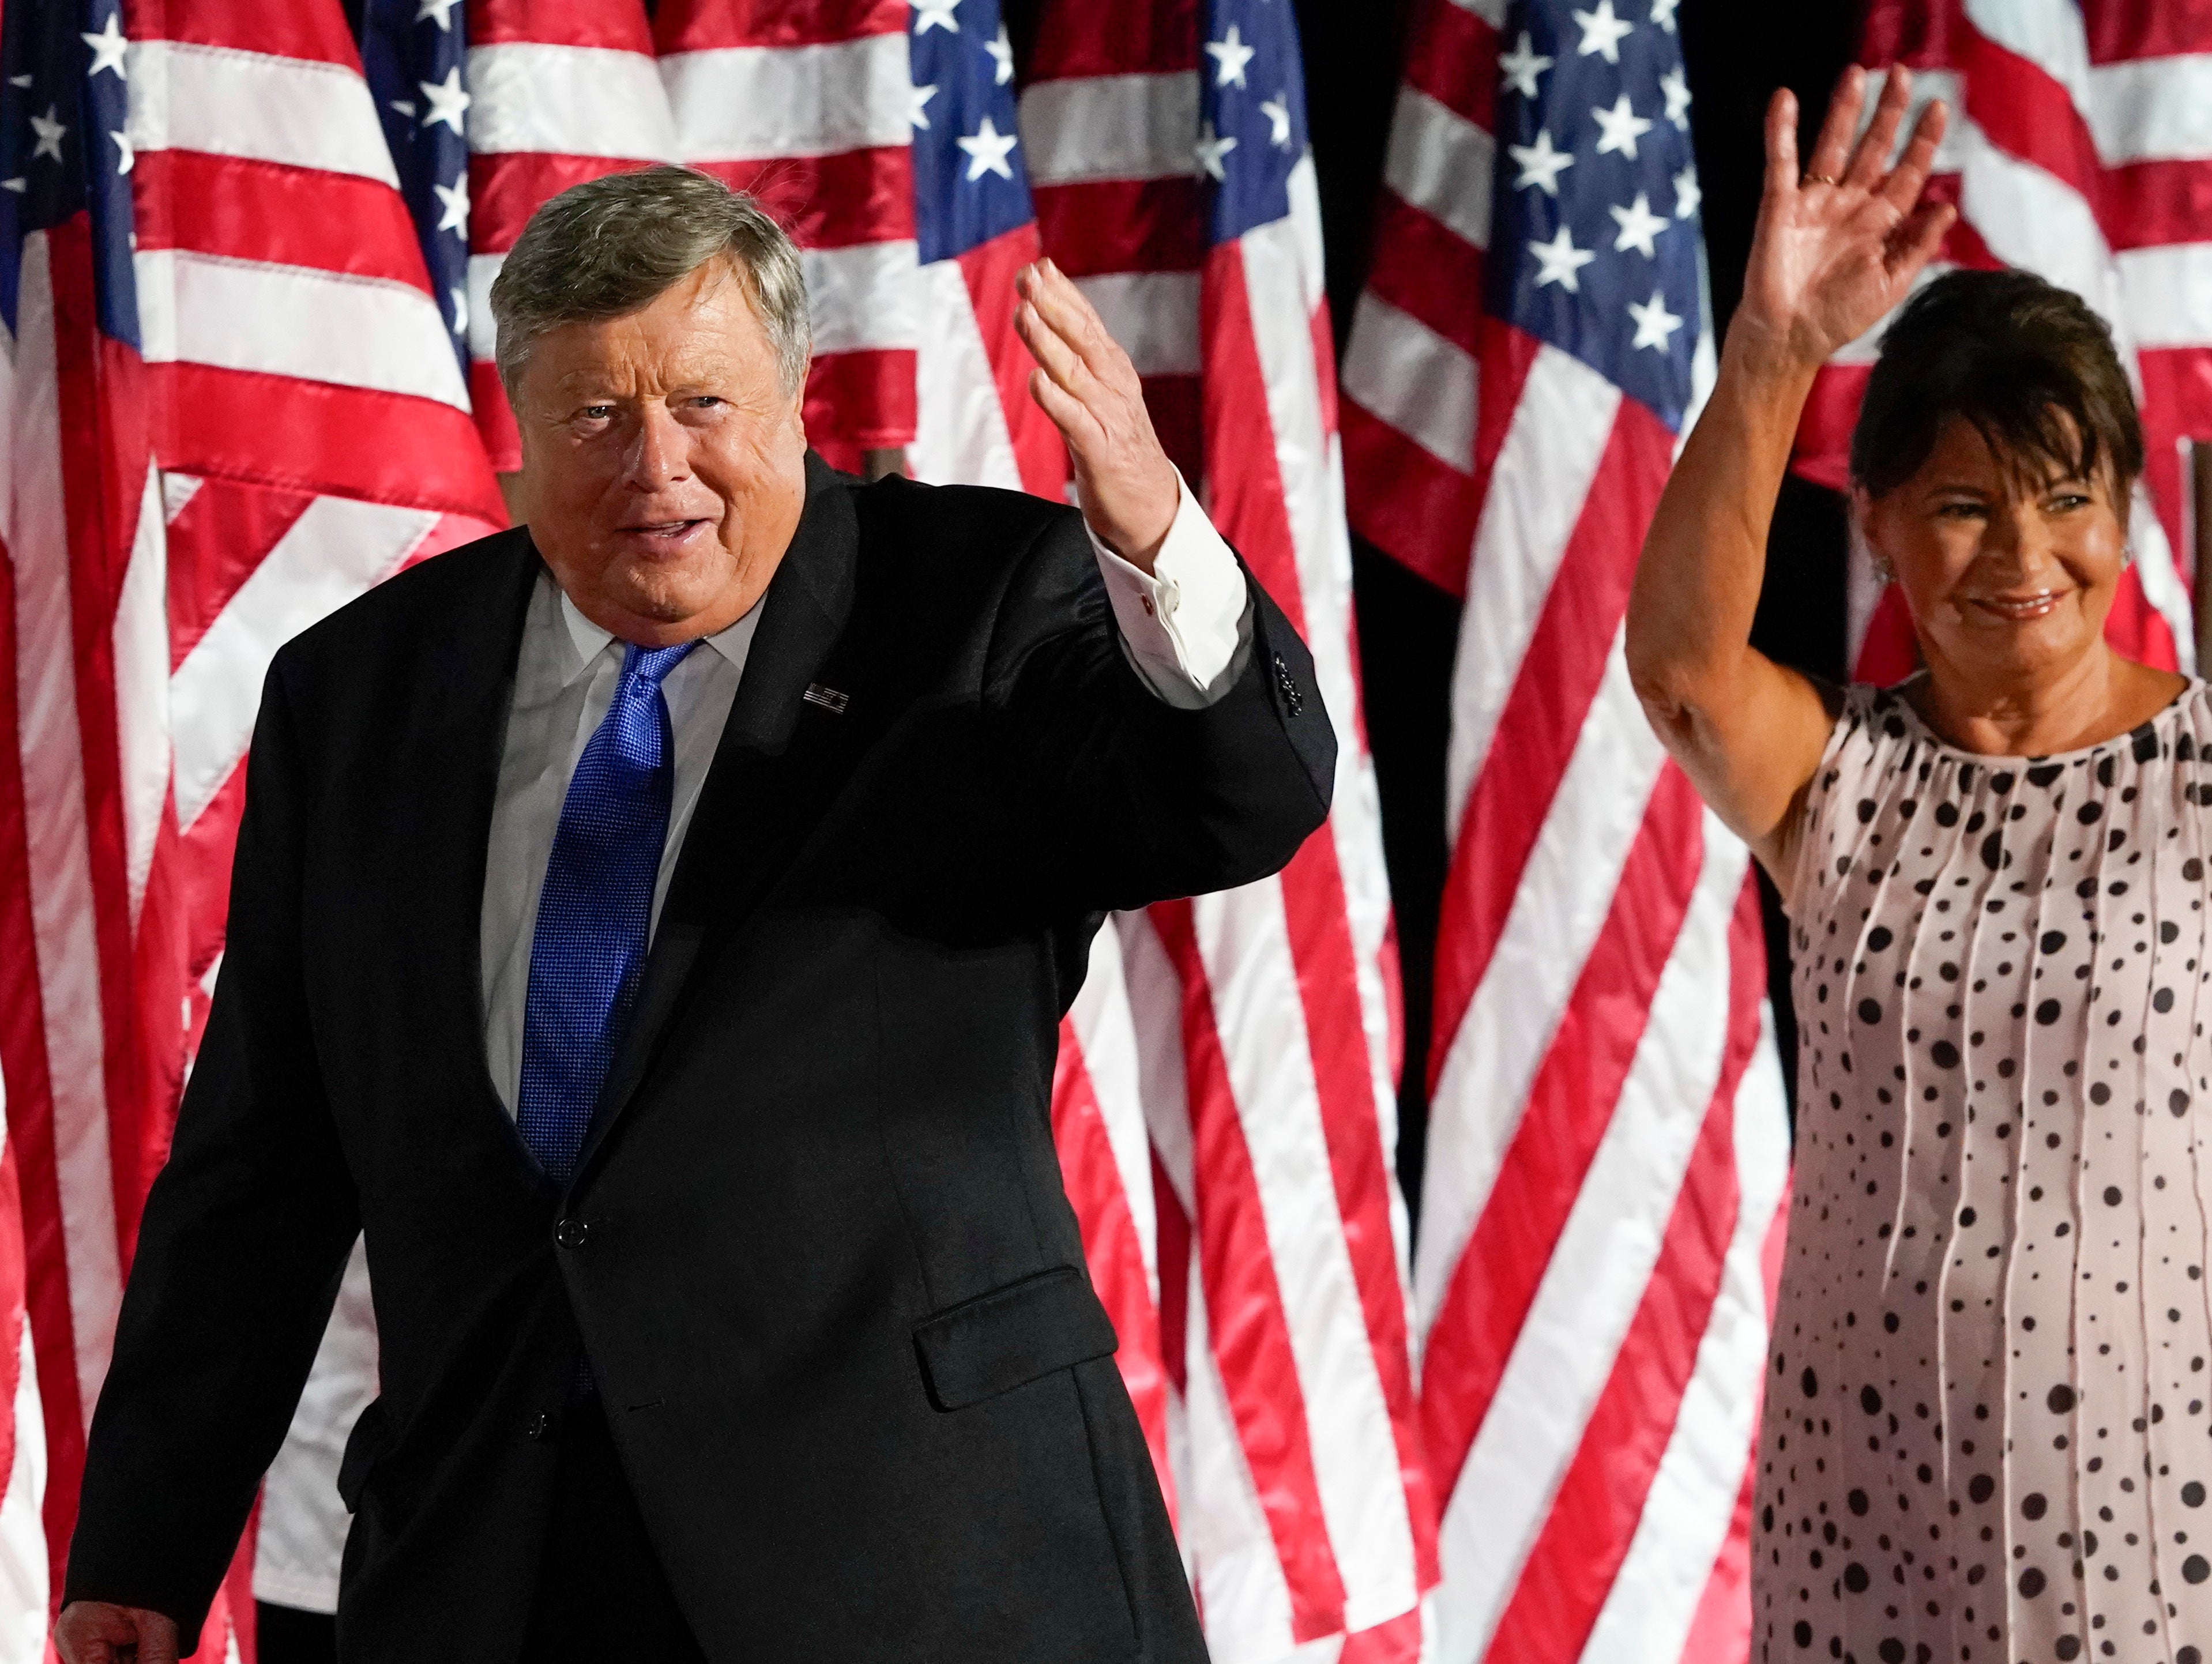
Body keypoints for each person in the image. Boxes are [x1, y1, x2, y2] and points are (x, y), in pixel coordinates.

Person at [54, 164, 1334, 1663]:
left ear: (793, 399)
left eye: (705, 407)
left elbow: (1236, 800)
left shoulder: (976, 607)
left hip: (917, 1562)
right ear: (518, 433)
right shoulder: (361, 690)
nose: (657, 465)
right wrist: (145, 1542)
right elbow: (263, 1163)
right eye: (598, 416)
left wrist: (1157, 538)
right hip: (499, 1568)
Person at [1624, 66, 2212, 1664]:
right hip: (1872, 1530)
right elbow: (1675, 670)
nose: (2023, 558)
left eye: (2066, 499)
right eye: (1961, 506)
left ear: (2132, 514)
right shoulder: (1832, 774)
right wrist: (1773, 351)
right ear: (1870, 527)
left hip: (2200, 1538)